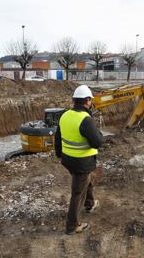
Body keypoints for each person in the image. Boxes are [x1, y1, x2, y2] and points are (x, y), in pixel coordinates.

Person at [55, 85, 103, 235]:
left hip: (68, 159)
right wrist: (99, 132)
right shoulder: (86, 119)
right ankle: (72, 225)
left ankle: (89, 204)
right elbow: (97, 142)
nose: (91, 103)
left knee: (85, 181)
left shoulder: (65, 115)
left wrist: (59, 155)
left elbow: (57, 137)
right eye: (91, 100)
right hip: (81, 161)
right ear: (87, 100)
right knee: (77, 192)